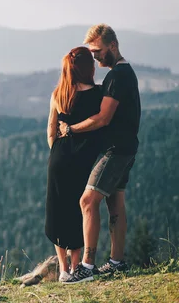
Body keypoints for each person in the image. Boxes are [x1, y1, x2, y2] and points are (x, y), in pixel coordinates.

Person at [59, 24, 141, 284]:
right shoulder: (124, 73)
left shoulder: (118, 76)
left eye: (97, 51)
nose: (94, 56)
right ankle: (117, 262)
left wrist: (71, 129)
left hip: (116, 151)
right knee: (114, 203)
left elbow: (104, 118)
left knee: (87, 201)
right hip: (126, 147)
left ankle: (87, 267)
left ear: (112, 46)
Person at [45, 46, 104, 282]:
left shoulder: (59, 93)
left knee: (58, 211)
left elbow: (51, 132)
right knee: (77, 211)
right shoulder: (98, 95)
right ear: (89, 67)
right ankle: (77, 266)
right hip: (83, 160)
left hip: (59, 158)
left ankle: (62, 269)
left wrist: (59, 152)